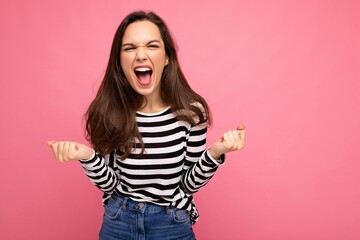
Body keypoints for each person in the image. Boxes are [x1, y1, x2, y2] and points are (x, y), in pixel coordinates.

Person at [48, 10, 246, 240]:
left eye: (151, 46)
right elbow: (111, 185)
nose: (140, 55)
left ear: (167, 57)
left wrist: (215, 152)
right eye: (130, 48)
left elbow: (187, 185)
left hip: (172, 224)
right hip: (119, 222)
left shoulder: (191, 112)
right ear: (119, 62)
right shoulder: (109, 112)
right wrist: (87, 157)